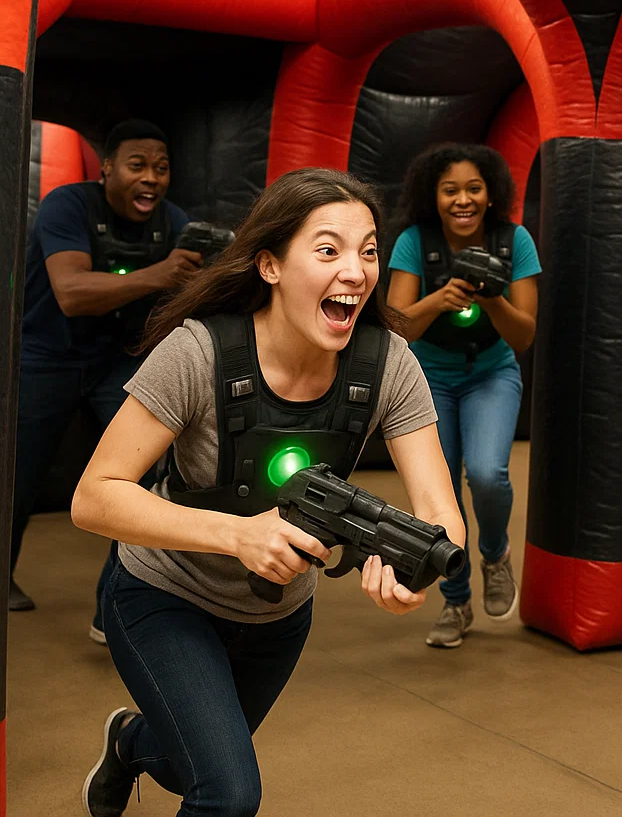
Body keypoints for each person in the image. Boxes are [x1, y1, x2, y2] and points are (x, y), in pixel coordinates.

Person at [71, 167, 464, 817]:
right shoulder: (197, 352)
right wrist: (239, 534)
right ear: (270, 265)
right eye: (329, 249)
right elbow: (94, 497)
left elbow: (439, 510)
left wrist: (411, 572)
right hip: (163, 594)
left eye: (369, 251)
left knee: (183, 766)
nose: (356, 271)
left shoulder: (389, 363)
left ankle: (128, 743)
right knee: (226, 794)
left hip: (277, 618)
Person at [13, 118, 199, 633]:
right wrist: (158, 274)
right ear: (108, 169)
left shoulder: (175, 222)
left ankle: (112, 608)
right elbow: (71, 293)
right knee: (16, 478)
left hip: (118, 361)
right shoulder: (68, 205)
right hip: (47, 354)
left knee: (142, 476)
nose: (151, 178)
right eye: (137, 166)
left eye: (161, 168)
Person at [387, 143, 540, 648]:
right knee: (441, 494)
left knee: (489, 475)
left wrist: (492, 298)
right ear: (432, 196)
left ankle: (495, 555)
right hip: (428, 378)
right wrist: (439, 298)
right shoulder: (414, 241)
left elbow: (524, 336)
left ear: (490, 194)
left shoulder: (514, 240)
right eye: (450, 190)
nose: (463, 200)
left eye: (474, 189)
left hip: (491, 374)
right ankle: (456, 601)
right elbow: (396, 328)